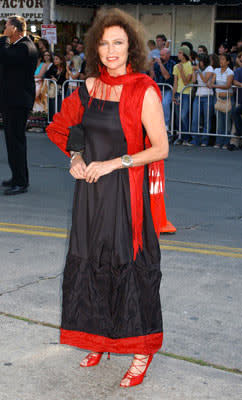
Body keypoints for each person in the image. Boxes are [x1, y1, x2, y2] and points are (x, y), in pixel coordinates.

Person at [46, 7, 168, 388]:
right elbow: (63, 128)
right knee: (91, 264)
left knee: (129, 268)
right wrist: (77, 158)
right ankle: (99, 338)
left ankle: (141, 350)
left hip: (126, 194)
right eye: (104, 43)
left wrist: (116, 162)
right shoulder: (88, 87)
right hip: (90, 195)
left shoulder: (143, 89)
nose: (111, 50)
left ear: (130, 47)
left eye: (118, 43)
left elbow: (161, 148)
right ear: (95, 48)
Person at [0, 15, 38, 195]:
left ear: (14, 29)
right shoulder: (17, 46)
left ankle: (21, 182)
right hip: (11, 100)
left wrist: (3, 39)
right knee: (11, 141)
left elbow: (5, 56)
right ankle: (16, 176)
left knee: (16, 142)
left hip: (18, 101)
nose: (4, 29)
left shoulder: (24, 47)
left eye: (6, 26)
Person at [208, 54, 234, 148]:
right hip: (218, 97)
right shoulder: (216, 70)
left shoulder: (230, 72)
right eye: (220, 59)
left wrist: (214, 86)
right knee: (219, 121)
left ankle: (226, 142)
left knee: (227, 121)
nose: (221, 61)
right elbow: (212, 81)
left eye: (223, 59)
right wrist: (210, 83)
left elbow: (227, 85)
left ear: (228, 62)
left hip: (227, 98)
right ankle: (218, 142)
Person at [190, 54, 214, 146]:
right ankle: (195, 139)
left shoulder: (209, 68)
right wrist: (194, 72)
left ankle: (205, 140)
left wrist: (199, 71)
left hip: (208, 95)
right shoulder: (198, 69)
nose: (198, 63)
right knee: (195, 119)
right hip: (198, 95)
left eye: (199, 61)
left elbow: (205, 80)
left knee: (206, 119)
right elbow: (193, 81)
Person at [172, 45, 193, 145]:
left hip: (186, 93)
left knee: (184, 115)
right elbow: (175, 82)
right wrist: (173, 94)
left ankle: (186, 137)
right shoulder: (176, 66)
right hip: (178, 93)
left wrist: (181, 70)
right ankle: (179, 136)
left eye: (180, 53)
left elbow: (186, 82)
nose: (178, 55)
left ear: (185, 54)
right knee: (177, 116)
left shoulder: (190, 65)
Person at [152, 48, 176, 130]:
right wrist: (151, 65)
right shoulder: (156, 64)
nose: (161, 57)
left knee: (165, 104)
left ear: (168, 55)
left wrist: (160, 64)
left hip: (168, 89)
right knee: (155, 106)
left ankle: (166, 125)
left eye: (163, 55)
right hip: (158, 88)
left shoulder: (172, 64)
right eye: (160, 55)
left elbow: (167, 76)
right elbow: (153, 76)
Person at [229, 52, 242, 150]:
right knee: (235, 114)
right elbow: (235, 81)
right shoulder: (238, 70)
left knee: (235, 113)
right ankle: (234, 142)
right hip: (240, 99)